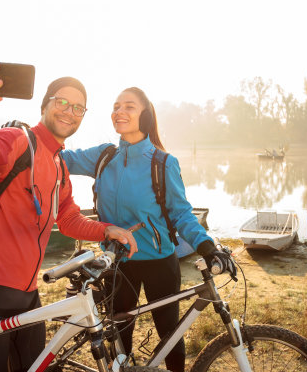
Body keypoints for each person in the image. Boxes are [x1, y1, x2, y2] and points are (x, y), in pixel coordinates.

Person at [0, 53, 138, 371]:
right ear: (45, 106)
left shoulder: (58, 164)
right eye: (63, 102)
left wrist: (107, 230)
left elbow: (68, 218)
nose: (70, 111)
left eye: (79, 107)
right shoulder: (17, 141)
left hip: (27, 294)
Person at [61, 87, 235, 372]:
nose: (119, 111)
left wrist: (207, 246)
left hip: (160, 263)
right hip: (118, 264)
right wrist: (27, 138)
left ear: (145, 114)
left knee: (170, 335)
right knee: (119, 338)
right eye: (116, 106)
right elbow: (59, 159)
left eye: (129, 106)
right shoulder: (103, 156)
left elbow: (181, 214)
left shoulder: (163, 163)